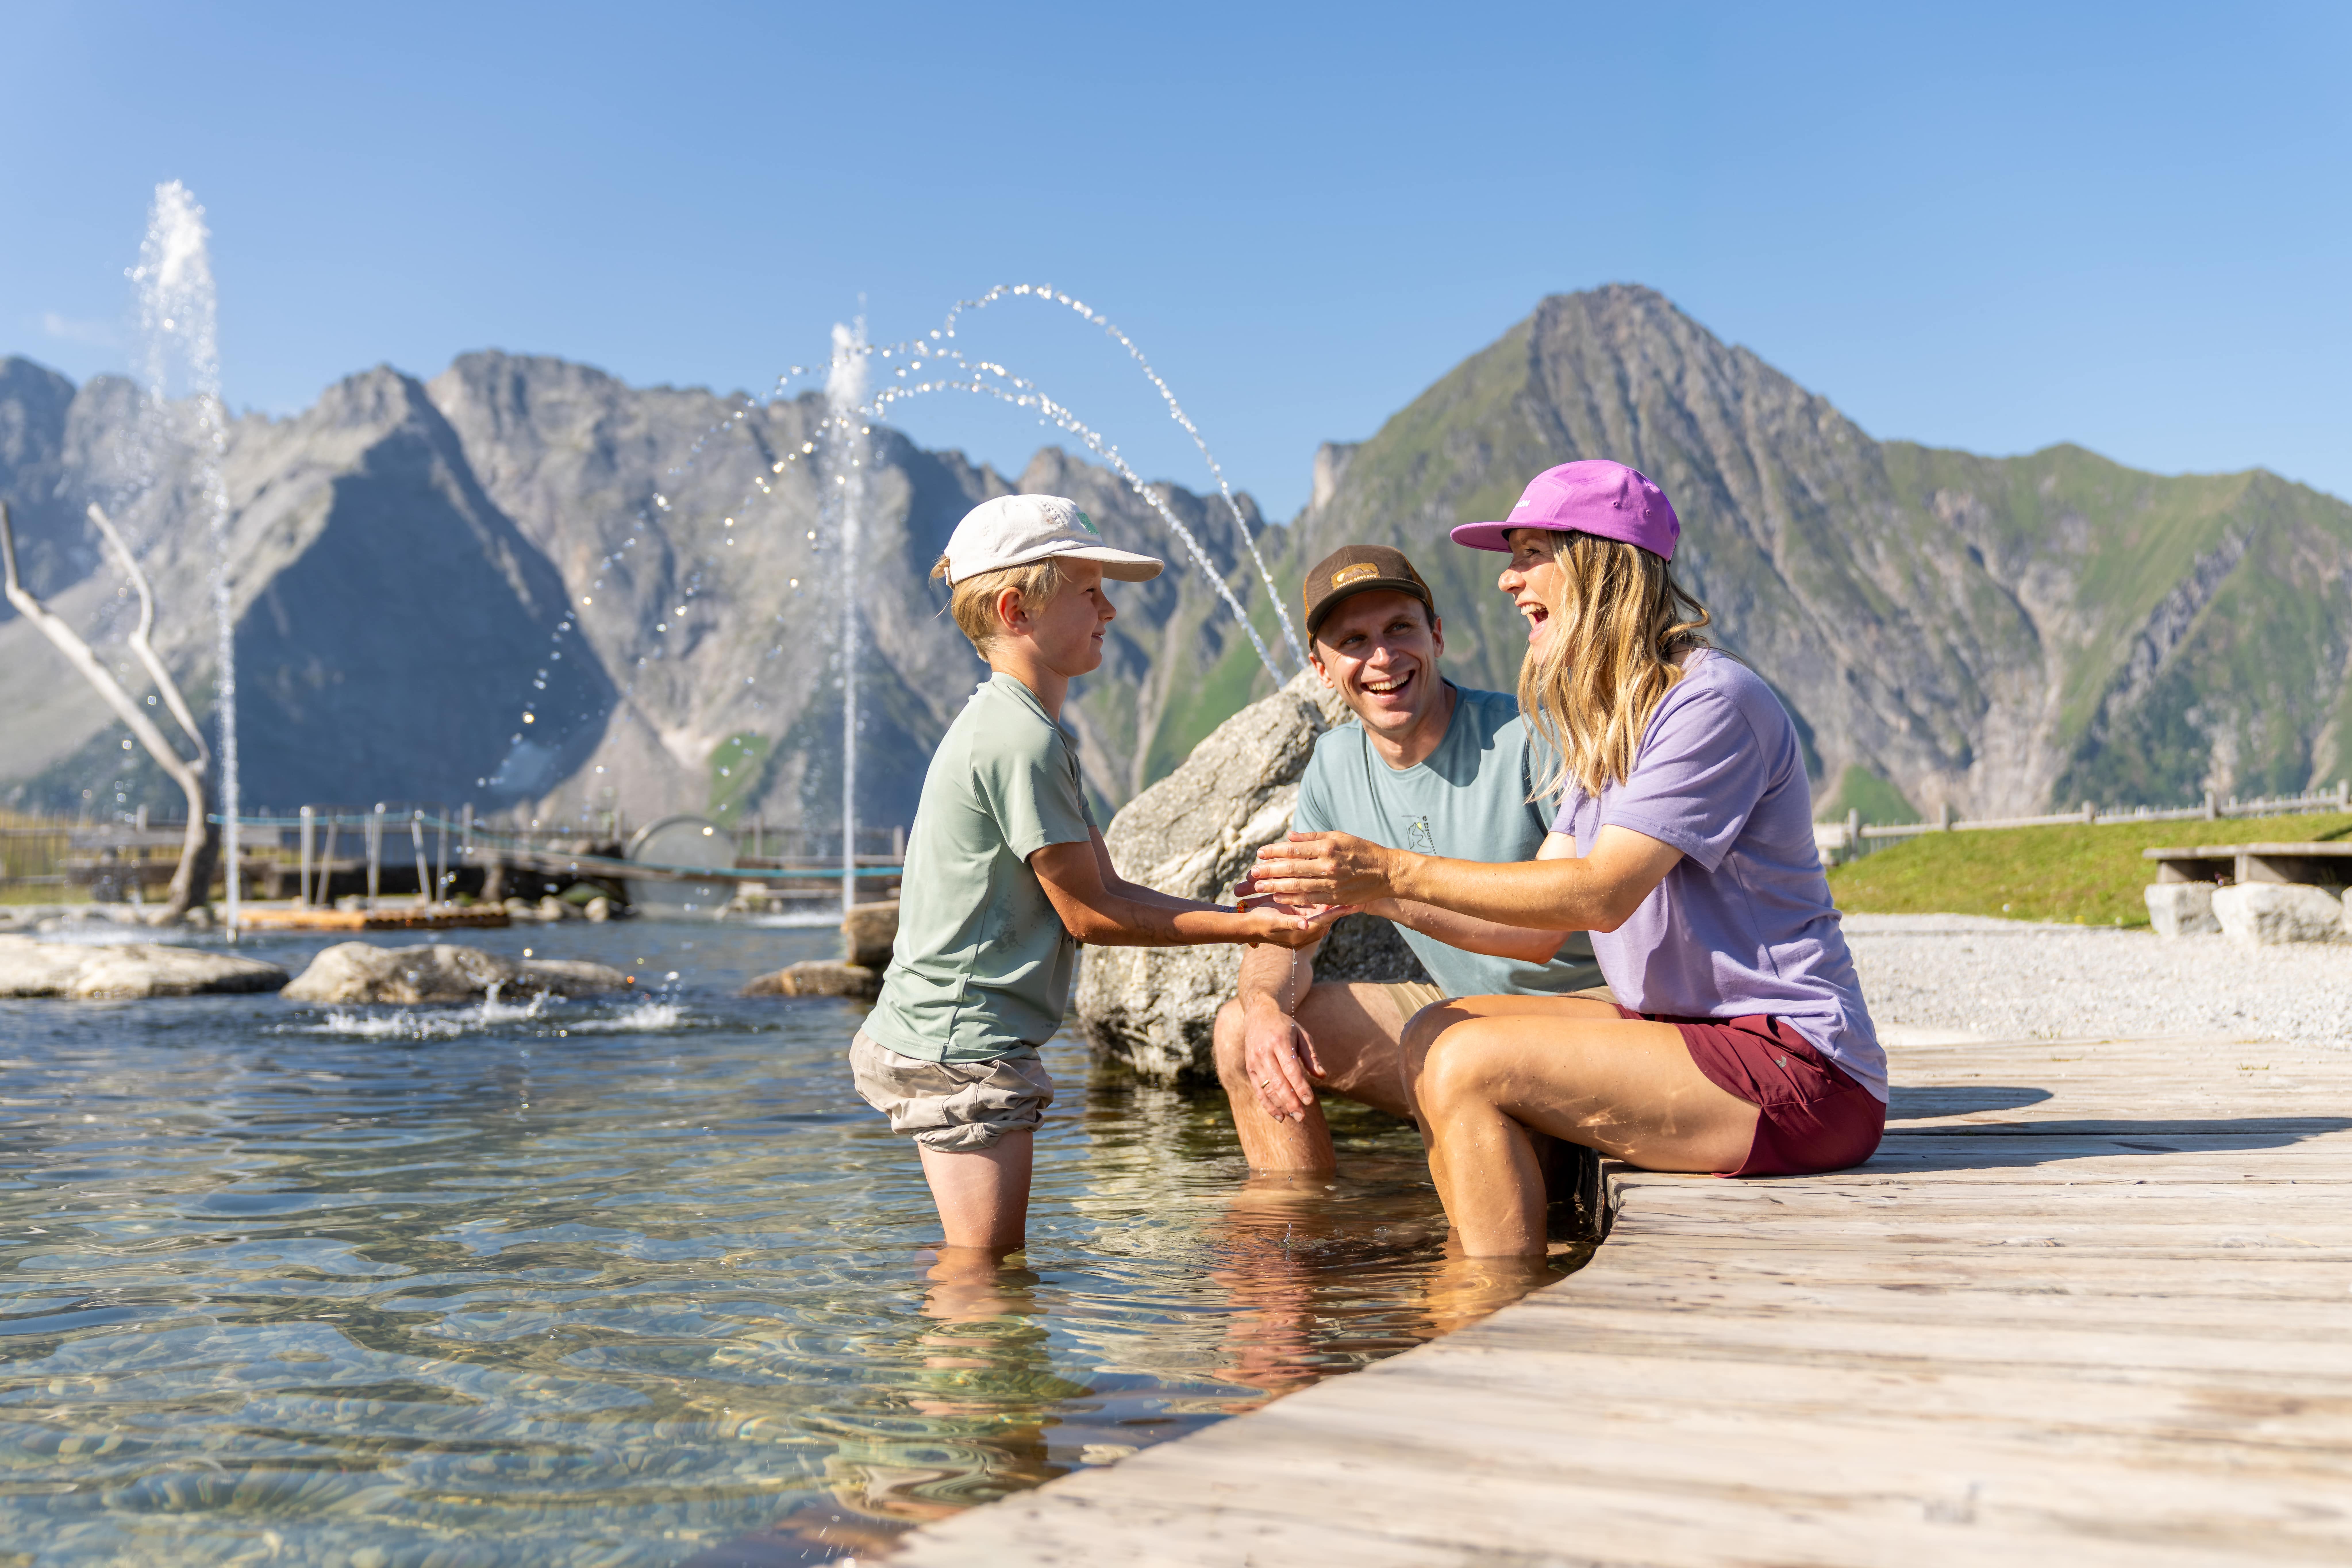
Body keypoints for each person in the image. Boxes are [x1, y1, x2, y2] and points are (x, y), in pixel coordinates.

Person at [1251, 460, 1885, 1256]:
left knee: (1468, 1061)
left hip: (1798, 1070)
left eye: (1528, 554)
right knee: (1436, 1029)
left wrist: (1390, 871)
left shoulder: (1710, 703)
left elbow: (1598, 894)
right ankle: (1495, 1259)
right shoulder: (1615, 717)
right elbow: (1530, 929)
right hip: (1689, 1033)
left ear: (1599, 561)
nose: (1508, 583)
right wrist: (1371, 896)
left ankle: (1486, 1302)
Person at [855, 494, 1342, 1259]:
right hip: (961, 1047)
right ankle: (953, 1380)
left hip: (954, 1034)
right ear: (1017, 609)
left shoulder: (1025, 727)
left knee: (977, 1263)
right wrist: (1250, 926)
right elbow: (1089, 918)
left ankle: (962, 1377)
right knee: (985, 1273)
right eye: (1089, 592)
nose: (1109, 610)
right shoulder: (1020, 740)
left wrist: (1242, 918)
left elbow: (1108, 890)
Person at [1213, 542, 1607, 1172]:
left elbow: (1545, 928)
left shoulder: (1533, 735)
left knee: (1462, 1062)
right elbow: (1287, 929)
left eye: (1400, 628)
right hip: (1461, 1018)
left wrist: (1377, 887)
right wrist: (1265, 1008)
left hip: (1592, 1015)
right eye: (1354, 640)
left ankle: (1492, 1260)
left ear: (1437, 636)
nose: (1382, 657)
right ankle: (1298, 1244)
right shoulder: (1334, 763)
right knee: (1240, 1032)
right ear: (1321, 668)